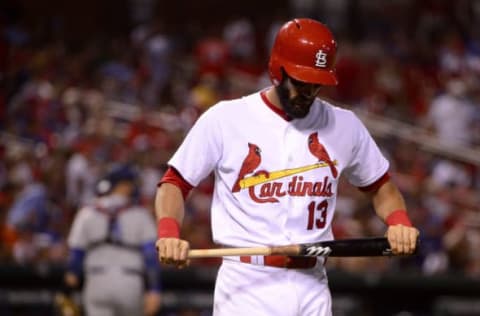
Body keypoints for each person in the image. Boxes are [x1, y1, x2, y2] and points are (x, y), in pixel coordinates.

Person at [155, 18, 419, 315]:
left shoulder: (345, 125)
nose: (307, 92)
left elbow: (381, 186)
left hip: (313, 283)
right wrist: (168, 233)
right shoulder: (226, 118)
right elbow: (174, 182)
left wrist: (399, 222)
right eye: (300, 82)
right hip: (247, 284)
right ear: (276, 70)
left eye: (315, 84)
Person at [65, 163, 162, 316]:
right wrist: (154, 290)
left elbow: (75, 257)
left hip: (96, 281)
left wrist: (69, 287)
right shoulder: (141, 215)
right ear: (123, 185)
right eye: (131, 183)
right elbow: (150, 256)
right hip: (130, 282)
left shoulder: (87, 213)